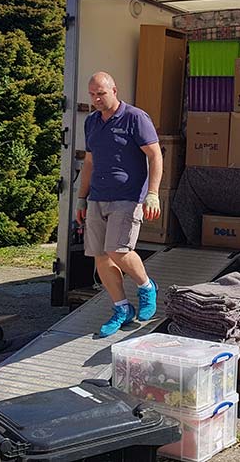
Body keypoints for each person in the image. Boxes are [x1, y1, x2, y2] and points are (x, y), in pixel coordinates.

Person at [76, 71, 164, 337]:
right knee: (100, 257)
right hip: (97, 198)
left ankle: (147, 286)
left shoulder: (135, 118)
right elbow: (89, 163)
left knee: (118, 249)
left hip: (127, 197)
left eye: (100, 94)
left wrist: (153, 193)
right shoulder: (91, 122)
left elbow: (155, 155)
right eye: (92, 95)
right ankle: (121, 308)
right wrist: (81, 198)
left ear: (114, 90)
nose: (96, 99)